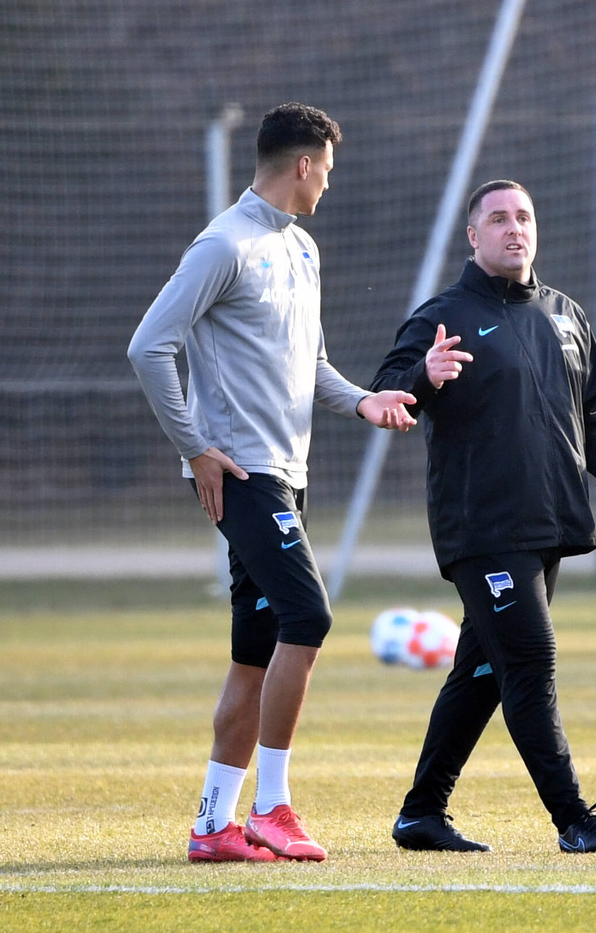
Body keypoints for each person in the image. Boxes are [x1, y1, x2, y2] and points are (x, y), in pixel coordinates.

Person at [127, 102, 416, 864]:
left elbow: (310, 366)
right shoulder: (223, 244)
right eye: (328, 170)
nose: (329, 184)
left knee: (256, 650)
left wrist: (363, 400)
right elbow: (148, 347)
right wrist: (195, 449)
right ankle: (272, 807)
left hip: (288, 476)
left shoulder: (303, 249)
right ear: (304, 165)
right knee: (308, 616)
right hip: (242, 473)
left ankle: (212, 824)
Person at [371, 179, 596, 854]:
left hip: (547, 521)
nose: (514, 228)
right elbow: (386, 395)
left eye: (524, 216)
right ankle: (574, 820)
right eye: (498, 219)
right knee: (530, 660)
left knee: (482, 674)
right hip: (483, 528)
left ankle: (421, 814)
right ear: (474, 236)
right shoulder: (443, 316)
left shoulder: (566, 315)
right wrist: (422, 378)